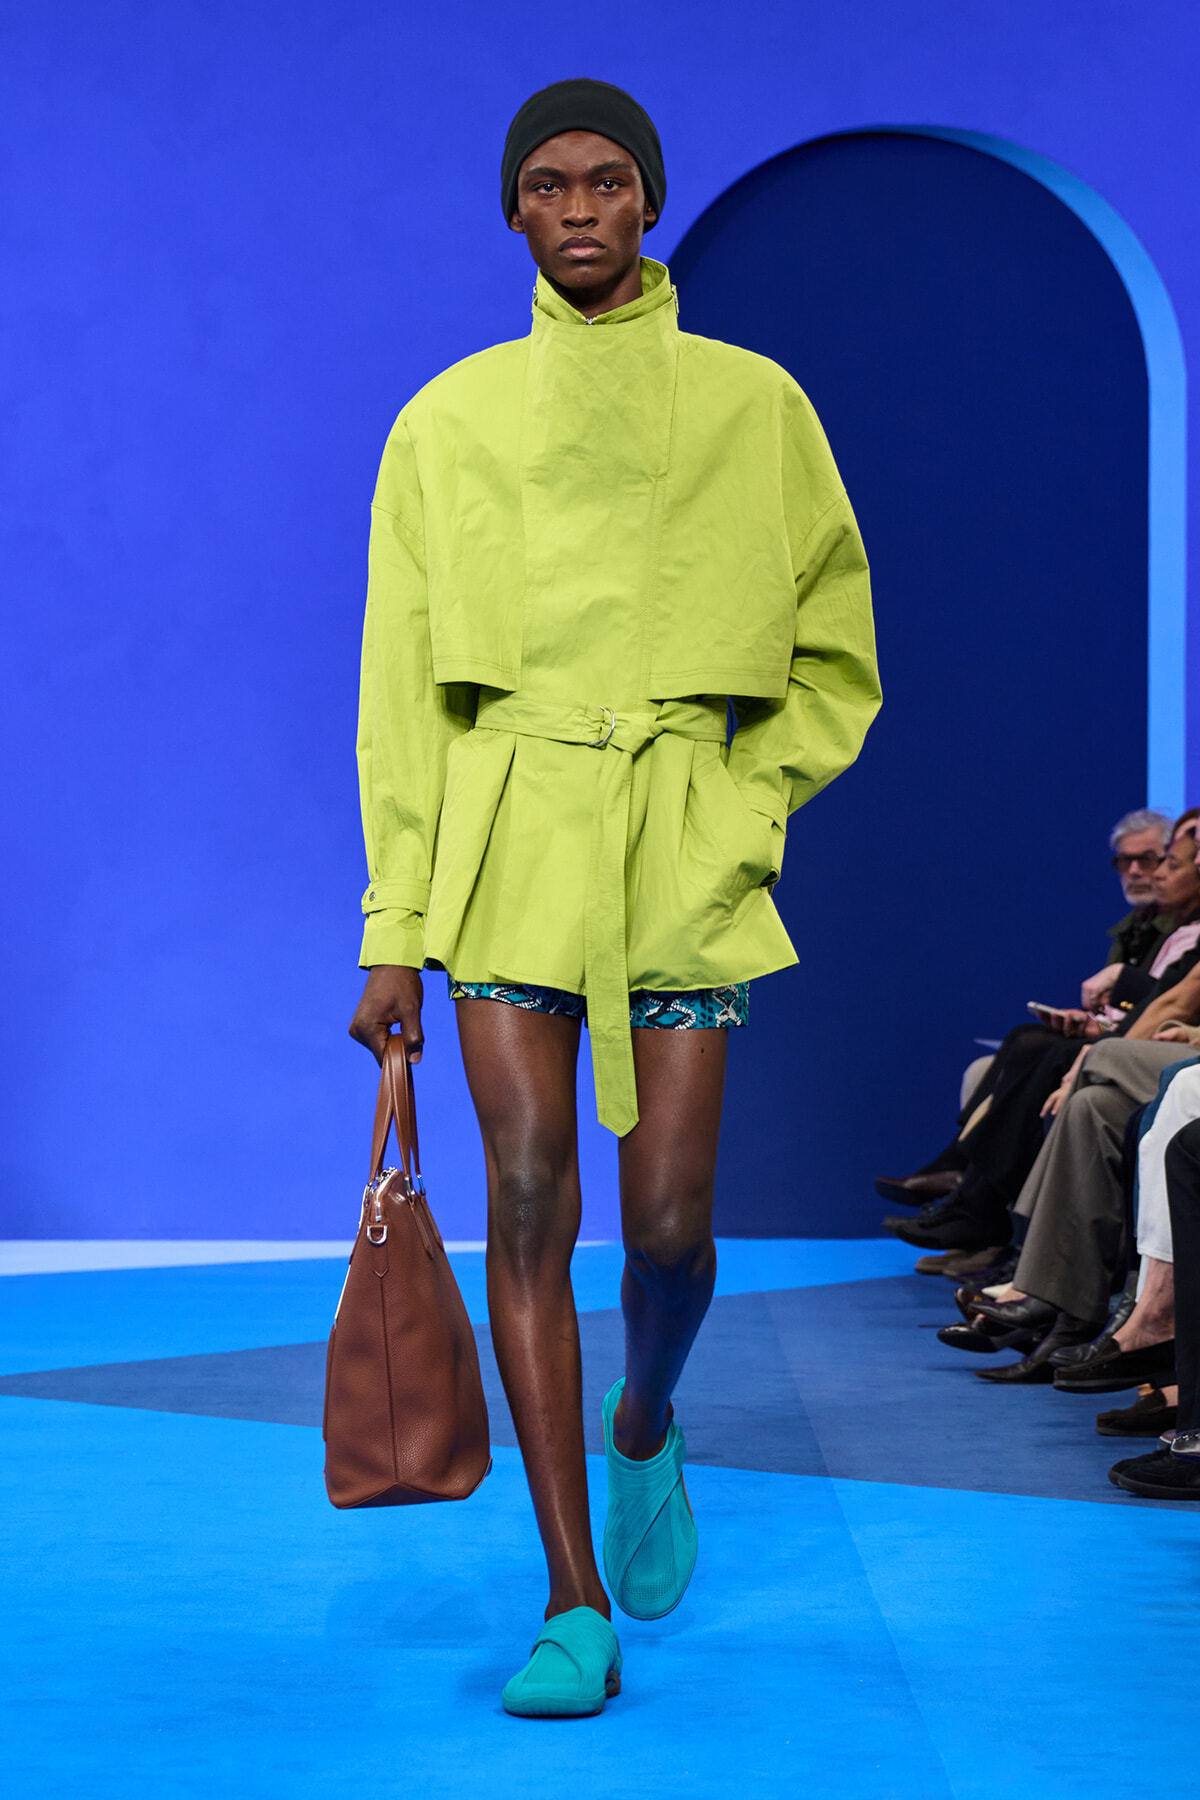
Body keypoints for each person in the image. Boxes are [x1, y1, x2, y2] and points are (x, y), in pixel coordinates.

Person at [347, 79, 879, 1717]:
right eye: (548, 186)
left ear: (650, 202)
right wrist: (394, 927)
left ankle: (644, 1422)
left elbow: (835, 651)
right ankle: (568, 1592)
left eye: (609, 182)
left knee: (670, 1230)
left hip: (673, 843)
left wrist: (739, 803)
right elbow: (400, 696)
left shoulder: (755, 407)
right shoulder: (447, 423)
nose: (580, 208)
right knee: (526, 1195)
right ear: (515, 213)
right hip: (506, 838)